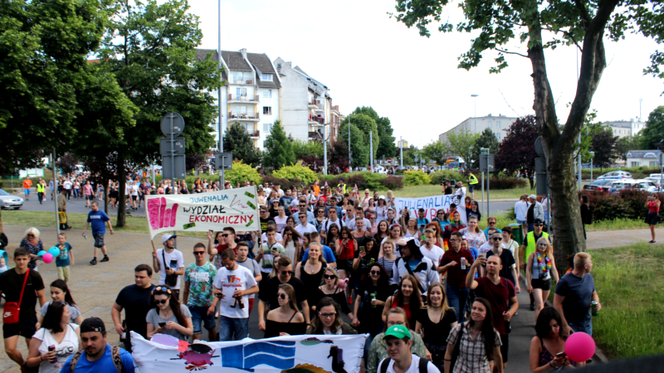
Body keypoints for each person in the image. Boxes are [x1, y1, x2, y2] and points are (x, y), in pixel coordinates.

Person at [466, 255, 518, 370]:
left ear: (501, 267)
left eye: (494, 263)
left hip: (502, 328)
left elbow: (515, 302)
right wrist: (474, 266)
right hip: (484, 328)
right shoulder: (481, 282)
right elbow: (469, 284)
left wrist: (510, 312)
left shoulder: (507, 283)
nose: (491, 265)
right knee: (488, 361)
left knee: (502, 364)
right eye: (489, 263)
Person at [0, 247, 46, 371]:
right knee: (9, 349)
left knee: (33, 350)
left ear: (28, 259)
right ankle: (24, 364)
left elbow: (41, 296)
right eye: (19, 259)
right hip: (11, 317)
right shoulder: (5, 276)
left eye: (24, 259)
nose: (21, 262)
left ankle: (32, 369)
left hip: (29, 316)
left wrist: (44, 316)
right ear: (14, 260)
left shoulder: (34, 275)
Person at [444, 298, 503, 373]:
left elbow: (497, 356)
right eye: (474, 308)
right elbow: (448, 353)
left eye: (480, 310)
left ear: (487, 313)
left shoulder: (493, 333)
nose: (476, 312)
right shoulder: (459, 329)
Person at [60, 317, 135, 373]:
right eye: (85, 339)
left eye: (94, 339)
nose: (89, 344)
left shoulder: (122, 358)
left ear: (105, 336)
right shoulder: (72, 363)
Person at [213, 249, 258, 340]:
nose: (226, 266)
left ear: (234, 259)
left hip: (240, 314)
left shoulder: (245, 271)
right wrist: (218, 293)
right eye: (224, 264)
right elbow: (216, 288)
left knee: (241, 342)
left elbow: (256, 288)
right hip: (225, 313)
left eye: (228, 263)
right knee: (224, 342)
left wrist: (243, 292)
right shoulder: (221, 271)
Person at [554, 252, 601, 336]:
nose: (592, 264)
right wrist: (565, 325)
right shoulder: (565, 282)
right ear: (585, 266)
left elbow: (594, 293)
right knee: (572, 349)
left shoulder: (589, 277)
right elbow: (556, 304)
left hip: (586, 324)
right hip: (572, 325)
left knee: (586, 349)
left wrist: (597, 303)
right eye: (590, 262)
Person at [367, 307, 428, 373]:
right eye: (391, 323)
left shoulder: (416, 338)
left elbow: (423, 364)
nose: (395, 326)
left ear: (405, 324)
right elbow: (371, 369)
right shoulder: (377, 340)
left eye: (399, 323)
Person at [112, 264, 156, 352]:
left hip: (150, 335)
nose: (138, 279)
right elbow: (116, 308)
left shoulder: (155, 292)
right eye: (136, 276)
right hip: (131, 335)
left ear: (149, 277)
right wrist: (117, 324)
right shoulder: (126, 291)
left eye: (141, 277)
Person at [258, 256, 310, 331]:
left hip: (294, 320)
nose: (287, 274)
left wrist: (308, 323)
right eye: (284, 272)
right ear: (278, 269)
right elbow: (262, 301)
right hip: (275, 318)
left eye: (290, 272)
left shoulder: (298, 284)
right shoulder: (270, 283)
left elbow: (304, 304)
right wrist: (261, 320)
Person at [26, 302, 80, 373]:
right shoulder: (41, 335)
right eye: (67, 312)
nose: (70, 314)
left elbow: (82, 352)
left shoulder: (75, 329)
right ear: (58, 315)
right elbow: (29, 362)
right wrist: (42, 358)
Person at [415, 283, 458, 370]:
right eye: (432, 293)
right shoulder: (422, 312)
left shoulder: (450, 312)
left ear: (443, 296)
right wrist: (424, 350)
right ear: (428, 295)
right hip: (428, 351)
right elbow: (417, 334)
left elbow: (456, 335)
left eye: (438, 293)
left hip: (445, 352)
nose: (435, 295)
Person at [182, 243, 218, 341]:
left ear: (205, 253)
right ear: (193, 253)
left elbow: (217, 289)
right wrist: (184, 304)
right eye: (196, 253)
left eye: (201, 252)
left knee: (211, 327)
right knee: (195, 330)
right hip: (193, 305)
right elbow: (186, 289)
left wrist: (213, 306)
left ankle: (213, 347)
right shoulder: (189, 268)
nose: (199, 255)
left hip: (208, 305)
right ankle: (195, 350)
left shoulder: (211, 268)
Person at [529, 307, 579, 372]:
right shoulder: (537, 341)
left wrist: (567, 365)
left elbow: (581, 370)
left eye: (555, 326)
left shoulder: (570, 340)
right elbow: (534, 371)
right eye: (549, 327)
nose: (552, 330)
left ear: (560, 324)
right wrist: (552, 364)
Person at [439, 232, 474, 322]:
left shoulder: (467, 253)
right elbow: (439, 269)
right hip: (452, 286)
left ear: (459, 240)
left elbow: (474, 267)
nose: (451, 241)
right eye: (450, 239)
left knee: (462, 311)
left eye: (453, 240)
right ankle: (455, 330)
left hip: (464, 285)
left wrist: (468, 264)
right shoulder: (447, 254)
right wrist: (448, 265)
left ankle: (461, 330)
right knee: (455, 311)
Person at [352, 264, 392, 338]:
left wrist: (379, 302)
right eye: (373, 272)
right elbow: (357, 300)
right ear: (369, 273)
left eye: (378, 272)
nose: (375, 274)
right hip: (365, 318)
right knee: (367, 345)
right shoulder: (364, 284)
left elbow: (389, 303)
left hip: (380, 319)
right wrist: (355, 317)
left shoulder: (385, 286)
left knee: (379, 341)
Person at [526, 237, 560, 319]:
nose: (542, 246)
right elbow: (528, 270)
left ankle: (542, 320)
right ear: (537, 245)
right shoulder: (533, 256)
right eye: (541, 244)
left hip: (547, 281)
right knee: (539, 305)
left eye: (545, 245)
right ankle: (538, 324)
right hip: (536, 281)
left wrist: (558, 280)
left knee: (543, 304)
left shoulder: (549, 256)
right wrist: (529, 284)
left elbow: (554, 269)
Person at [521, 218, 549, 310]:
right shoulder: (529, 235)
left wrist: (550, 259)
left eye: (541, 225)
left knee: (540, 280)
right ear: (533, 226)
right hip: (531, 260)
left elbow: (550, 249)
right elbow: (523, 248)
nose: (539, 227)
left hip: (542, 261)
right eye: (537, 225)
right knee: (531, 281)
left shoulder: (546, 235)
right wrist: (522, 260)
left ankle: (540, 301)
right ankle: (533, 300)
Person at [295, 242, 328, 311]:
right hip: (304, 300)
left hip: (320, 300)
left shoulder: (325, 266)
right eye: (312, 250)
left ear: (320, 253)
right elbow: (296, 284)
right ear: (308, 251)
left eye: (316, 250)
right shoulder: (300, 265)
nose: (314, 252)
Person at [152, 233, 185, 300]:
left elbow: (181, 271)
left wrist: (173, 272)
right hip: (162, 284)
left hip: (174, 286)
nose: (173, 241)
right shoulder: (158, 252)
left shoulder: (178, 254)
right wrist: (154, 258)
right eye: (170, 240)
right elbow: (156, 270)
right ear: (165, 243)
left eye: (173, 240)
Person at [81, 201, 113, 265]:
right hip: (94, 231)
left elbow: (108, 220)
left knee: (97, 244)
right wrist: (84, 230)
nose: (92, 207)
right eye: (91, 206)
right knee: (101, 244)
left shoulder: (101, 213)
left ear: (97, 206)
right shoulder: (90, 213)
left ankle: (94, 259)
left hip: (101, 231)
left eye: (93, 206)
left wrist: (111, 229)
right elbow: (88, 222)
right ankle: (106, 256)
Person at [236, 241, 262, 314]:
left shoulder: (252, 262)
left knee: (246, 316)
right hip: (236, 295)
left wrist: (251, 280)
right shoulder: (233, 263)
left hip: (249, 294)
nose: (243, 252)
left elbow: (259, 276)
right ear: (237, 251)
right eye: (241, 250)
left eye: (245, 250)